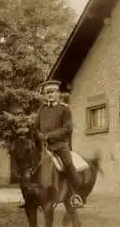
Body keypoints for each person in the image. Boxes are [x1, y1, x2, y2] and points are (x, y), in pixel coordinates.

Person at [18, 80, 83, 209]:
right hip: (42, 147)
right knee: (29, 165)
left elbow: (67, 129)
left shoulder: (64, 109)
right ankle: (27, 196)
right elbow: (36, 127)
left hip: (59, 145)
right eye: (47, 92)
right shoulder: (42, 110)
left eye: (52, 92)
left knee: (68, 164)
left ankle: (76, 195)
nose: (49, 95)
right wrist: (32, 134)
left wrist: (48, 136)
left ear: (58, 93)